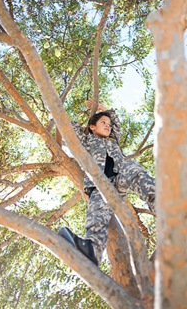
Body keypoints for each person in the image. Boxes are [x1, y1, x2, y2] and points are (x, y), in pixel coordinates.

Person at [58, 101, 156, 266]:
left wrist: (102, 108)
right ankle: (92, 251)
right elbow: (70, 127)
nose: (108, 126)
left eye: (109, 124)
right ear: (92, 127)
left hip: (119, 178)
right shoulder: (87, 140)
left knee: (133, 168)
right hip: (98, 184)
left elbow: (116, 122)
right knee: (97, 213)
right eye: (103, 123)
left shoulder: (113, 140)